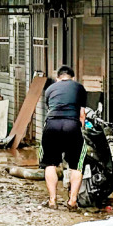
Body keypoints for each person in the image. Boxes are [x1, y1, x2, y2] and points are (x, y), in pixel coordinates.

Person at [39, 65, 88, 211]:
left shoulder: (50, 89)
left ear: (58, 78)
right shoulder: (79, 87)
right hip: (71, 125)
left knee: (50, 164)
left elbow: (51, 108)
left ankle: (52, 201)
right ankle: (72, 202)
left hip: (51, 125)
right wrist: (82, 129)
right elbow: (82, 114)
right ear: (73, 78)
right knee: (76, 165)